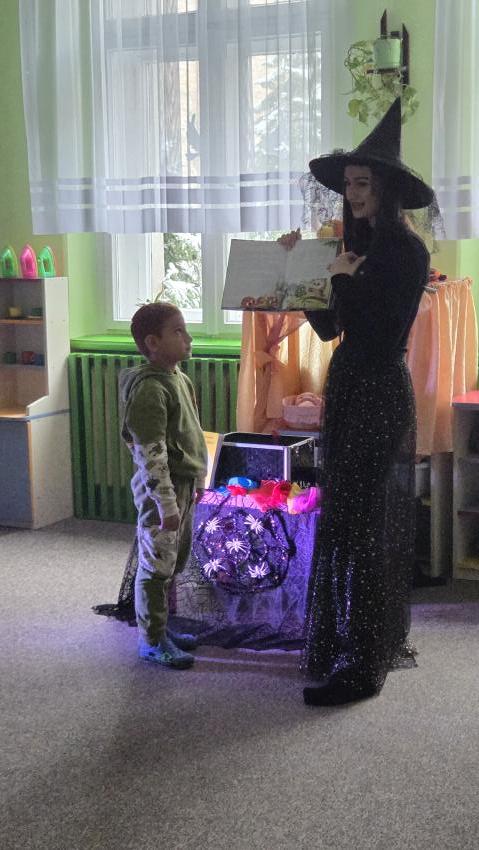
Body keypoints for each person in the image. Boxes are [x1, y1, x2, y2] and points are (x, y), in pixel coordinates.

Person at [280, 98, 433, 705]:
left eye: (363, 183)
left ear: (386, 189)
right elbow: (329, 329)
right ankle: (348, 644)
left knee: (365, 528)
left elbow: (377, 331)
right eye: (348, 184)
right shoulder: (354, 246)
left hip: (379, 393)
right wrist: (300, 275)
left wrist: (342, 278)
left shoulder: (406, 252)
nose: (353, 193)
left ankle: (363, 668)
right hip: (348, 389)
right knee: (343, 524)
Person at [119, 302, 208, 669]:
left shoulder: (179, 379)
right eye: (178, 331)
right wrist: (166, 504)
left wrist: (198, 477)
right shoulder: (149, 390)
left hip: (183, 486)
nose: (188, 338)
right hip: (161, 493)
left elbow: (190, 435)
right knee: (156, 568)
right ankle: (152, 641)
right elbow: (150, 454)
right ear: (153, 343)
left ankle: (163, 627)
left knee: (173, 562)